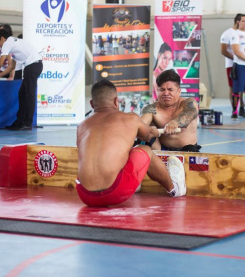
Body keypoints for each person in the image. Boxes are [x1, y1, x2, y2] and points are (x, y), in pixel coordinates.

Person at [76, 79, 186, 207]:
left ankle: (134, 184)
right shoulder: (130, 118)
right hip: (115, 192)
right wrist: (154, 131)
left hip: (85, 196)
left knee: (120, 149)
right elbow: (148, 135)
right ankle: (174, 188)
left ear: (91, 104)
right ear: (116, 101)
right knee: (144, 149)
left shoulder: (81, 126)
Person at [0, 29, 43, 131]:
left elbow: (0, 62)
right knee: (22, 94)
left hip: (32, 66)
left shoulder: (7, 43)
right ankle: (19, 122)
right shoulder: (14, 46)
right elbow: (11, 67)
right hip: (32, 66)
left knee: (29, 95)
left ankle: (27, 123)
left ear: (2, 38)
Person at [141, 69, 200, 152]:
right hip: (162, 151)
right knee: (146, 138)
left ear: (179, 91)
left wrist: (175, 122)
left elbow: (189, 115)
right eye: (162, 90)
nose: (166, 93)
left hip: (187, 150)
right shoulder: (151, 109)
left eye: (170, 89)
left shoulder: (188, 103)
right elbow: (141, 124)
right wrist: (146, 130)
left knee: (190, 149)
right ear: (157, 91)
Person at [220, 13, 245, 117]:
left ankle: (243, 108)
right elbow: (223, 51)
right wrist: (236, 59)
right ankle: (234, 109)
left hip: (243, 63)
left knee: (243, 87)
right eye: (243, 21)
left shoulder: (244, 34)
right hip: (232, 65)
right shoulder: (227, 34)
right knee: (233, 87)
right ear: (238, 21)